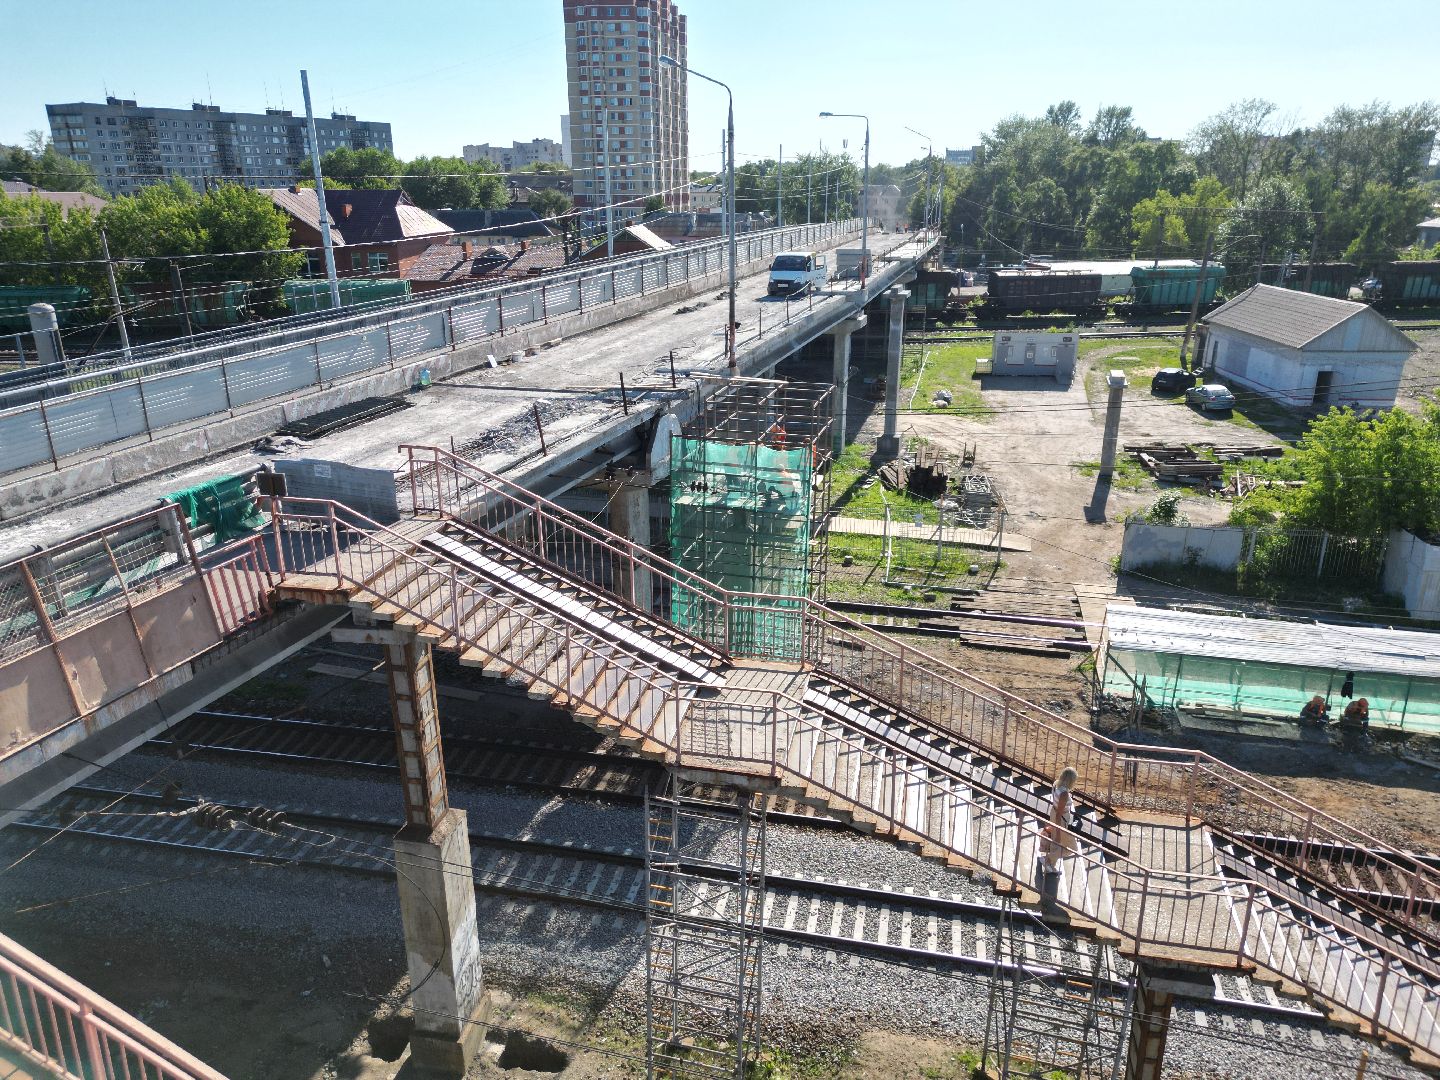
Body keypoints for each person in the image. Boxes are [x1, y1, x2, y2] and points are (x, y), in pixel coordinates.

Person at [1040, 766, 1079, 875]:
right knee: (1070, 847)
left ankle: (1049, 862)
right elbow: (1059, 814)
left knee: (1057, 843)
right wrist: (1057, 829)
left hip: (1055, 813)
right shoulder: (1064, 793)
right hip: (1060, 819)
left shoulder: (1056, 785)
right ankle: (1048, 861)